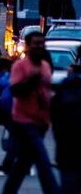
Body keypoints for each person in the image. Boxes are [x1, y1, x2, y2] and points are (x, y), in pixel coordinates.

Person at [2, 31, 59, 194]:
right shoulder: (20, 66)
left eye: (42, 43)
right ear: (27, 46)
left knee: (23, 164)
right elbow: (15, 91)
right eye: (36, 43)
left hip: (41, 122)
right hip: (24, 121)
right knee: (43, 161)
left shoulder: (46, 66)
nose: (39, 46)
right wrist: (31, 80)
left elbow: (47, 92)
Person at [51, 63, 81, 194]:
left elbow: (55, 119)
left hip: (66, 147)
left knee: (68, 184)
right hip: (69, 145)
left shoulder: (63, 91)